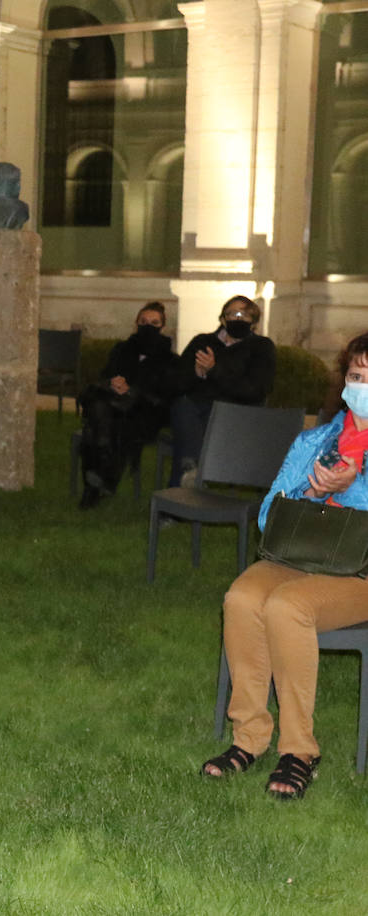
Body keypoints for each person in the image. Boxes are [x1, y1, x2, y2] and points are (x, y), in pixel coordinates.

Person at [202, 331, 368, 799]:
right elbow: (267, 515)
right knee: (242, 597)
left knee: (288, 607)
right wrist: (314, 492)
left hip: (360, 570)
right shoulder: (314, 441)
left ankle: (300, 751)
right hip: (299, 554)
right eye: (357, 376)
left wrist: (354, 484)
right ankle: (249, 738)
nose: (362, 387)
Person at [164, 295, 276, 486]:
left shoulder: (261, 347)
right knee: (183, 406)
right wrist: (197, 374)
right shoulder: (202, 342)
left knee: (190, 432)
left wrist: (214, 371)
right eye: (232, 314)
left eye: (244, 315)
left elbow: (255, 390)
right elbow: (176, 384)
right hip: (196, 409)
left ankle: (184, 484)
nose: (238, 319)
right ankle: (192, 471)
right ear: (223, 319)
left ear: (254, 322)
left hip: (236, 414)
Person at [76, 303, 176, 508]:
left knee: (105, 422)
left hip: (145, 413)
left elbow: (164, 394)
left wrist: (133, 391)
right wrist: (113, 383)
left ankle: (96, 481)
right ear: (136, 324)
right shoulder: (122, 350)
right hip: (112, 406)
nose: (148, 326)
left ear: (162, 327)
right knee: (102, 411)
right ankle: (100, 476)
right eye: (143, 322)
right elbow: (105, 375)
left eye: (154, 323)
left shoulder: (170, 359)